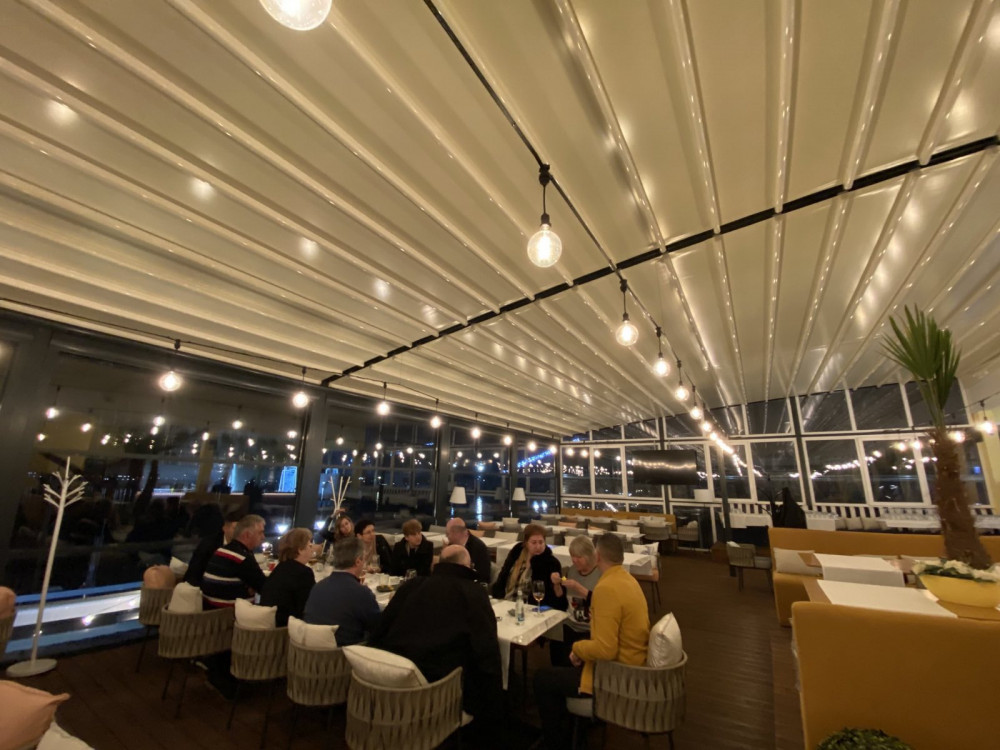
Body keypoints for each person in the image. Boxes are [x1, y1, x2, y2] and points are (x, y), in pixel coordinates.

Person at [533, 534, 650, 750]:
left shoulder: (606, 588)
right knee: (560, 669)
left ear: (597, 556)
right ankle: (572, 728)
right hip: (634, 664)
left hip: (616, 673)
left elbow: (605, 650)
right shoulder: (628, 580)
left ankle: (557, 742)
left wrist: (578, 648)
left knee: (542, 679)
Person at [370, 545, 502, 732]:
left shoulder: (411, 586)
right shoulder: (473, 593)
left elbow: (381, 628)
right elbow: (486, 649)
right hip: (438, 689)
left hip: (391, 679)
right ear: (467, 566)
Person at [303, 537, 380, 646]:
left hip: (309, 651)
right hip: (343, 653)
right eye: (364, 559)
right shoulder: (361, 593)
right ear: (358, 561)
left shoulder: (318, 587)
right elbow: (378, 628)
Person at [549, 535, 602, 666]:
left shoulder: (600, 574)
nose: (574, 560)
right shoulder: (572, 570)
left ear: (589, 556)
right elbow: (561, 596)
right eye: (572, 556)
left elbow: (602, 602)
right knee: (555, 641)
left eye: (578, 557)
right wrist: (556, 584)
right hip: (570, 623)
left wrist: (578, 587)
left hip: (590, 628)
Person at [491, 523, 567, 611]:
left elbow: (559, 599)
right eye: (534, 542)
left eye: (541, 542)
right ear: (526, 543)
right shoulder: (517, 552)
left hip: (531, 608)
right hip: (507, 603)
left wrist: (557, 583)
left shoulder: (551, 562)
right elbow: (502, 577)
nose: (538, 546)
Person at [200, 514, 266, 609]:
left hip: (209, 611)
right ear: (247, 535)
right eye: (260, 533)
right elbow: (265, 588)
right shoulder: (241, 558)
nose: (263, 537)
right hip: (228, 614)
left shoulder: (221, 550)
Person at [260, 527, 316, 626]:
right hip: (286, 628)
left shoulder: (280, 567)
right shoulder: (304, 573)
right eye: (310, 546)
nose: (312, 550)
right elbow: (309, 606)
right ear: (300, 550)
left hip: (269, 623)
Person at [184, 509, 242, 586]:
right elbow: (194, 572)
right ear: (225, 528)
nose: (239, 532)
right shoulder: (209, 545)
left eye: (241, 529)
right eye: (235, 528)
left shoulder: (242, 545)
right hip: (202, 585)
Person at [445, 517, 491, 583]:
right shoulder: (451, 545)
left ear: (456, 533)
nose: (446, 537)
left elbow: (483, 576)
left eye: (448, 534)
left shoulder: (478, 548)